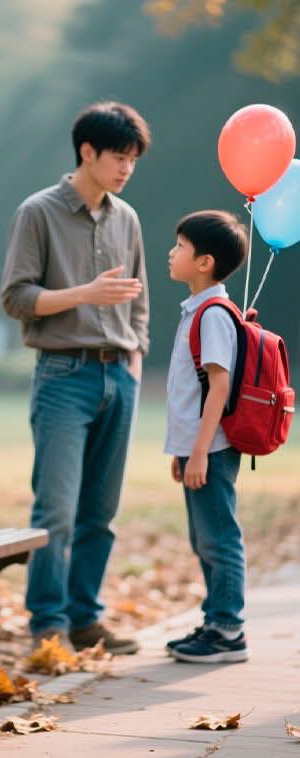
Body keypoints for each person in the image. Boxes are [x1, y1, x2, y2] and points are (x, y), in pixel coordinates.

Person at [1, 101, 151, 655]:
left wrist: (135, 357)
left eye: (133, 159)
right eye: (119, 156)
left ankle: (87, 620)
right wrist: (83, 294)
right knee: (57, 510)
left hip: (120, 378)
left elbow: (139, 304)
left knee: (100, 514)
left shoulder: (126, 218)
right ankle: (47, 625)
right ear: (87, 152)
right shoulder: (37, 212)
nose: (126, 168)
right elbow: (16, 298)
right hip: (63, 375)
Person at [164, 210, 249, 663]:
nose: (171, 253)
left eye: (180, 246)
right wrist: (184, 452)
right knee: (205, 538)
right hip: (199, 450)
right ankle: (216, 618)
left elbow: (218, 385)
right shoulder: (197, 310)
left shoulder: (213, 314)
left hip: (212, 449)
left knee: (219, 538)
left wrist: (198, 452)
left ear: (204, 262)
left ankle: (229, 630)